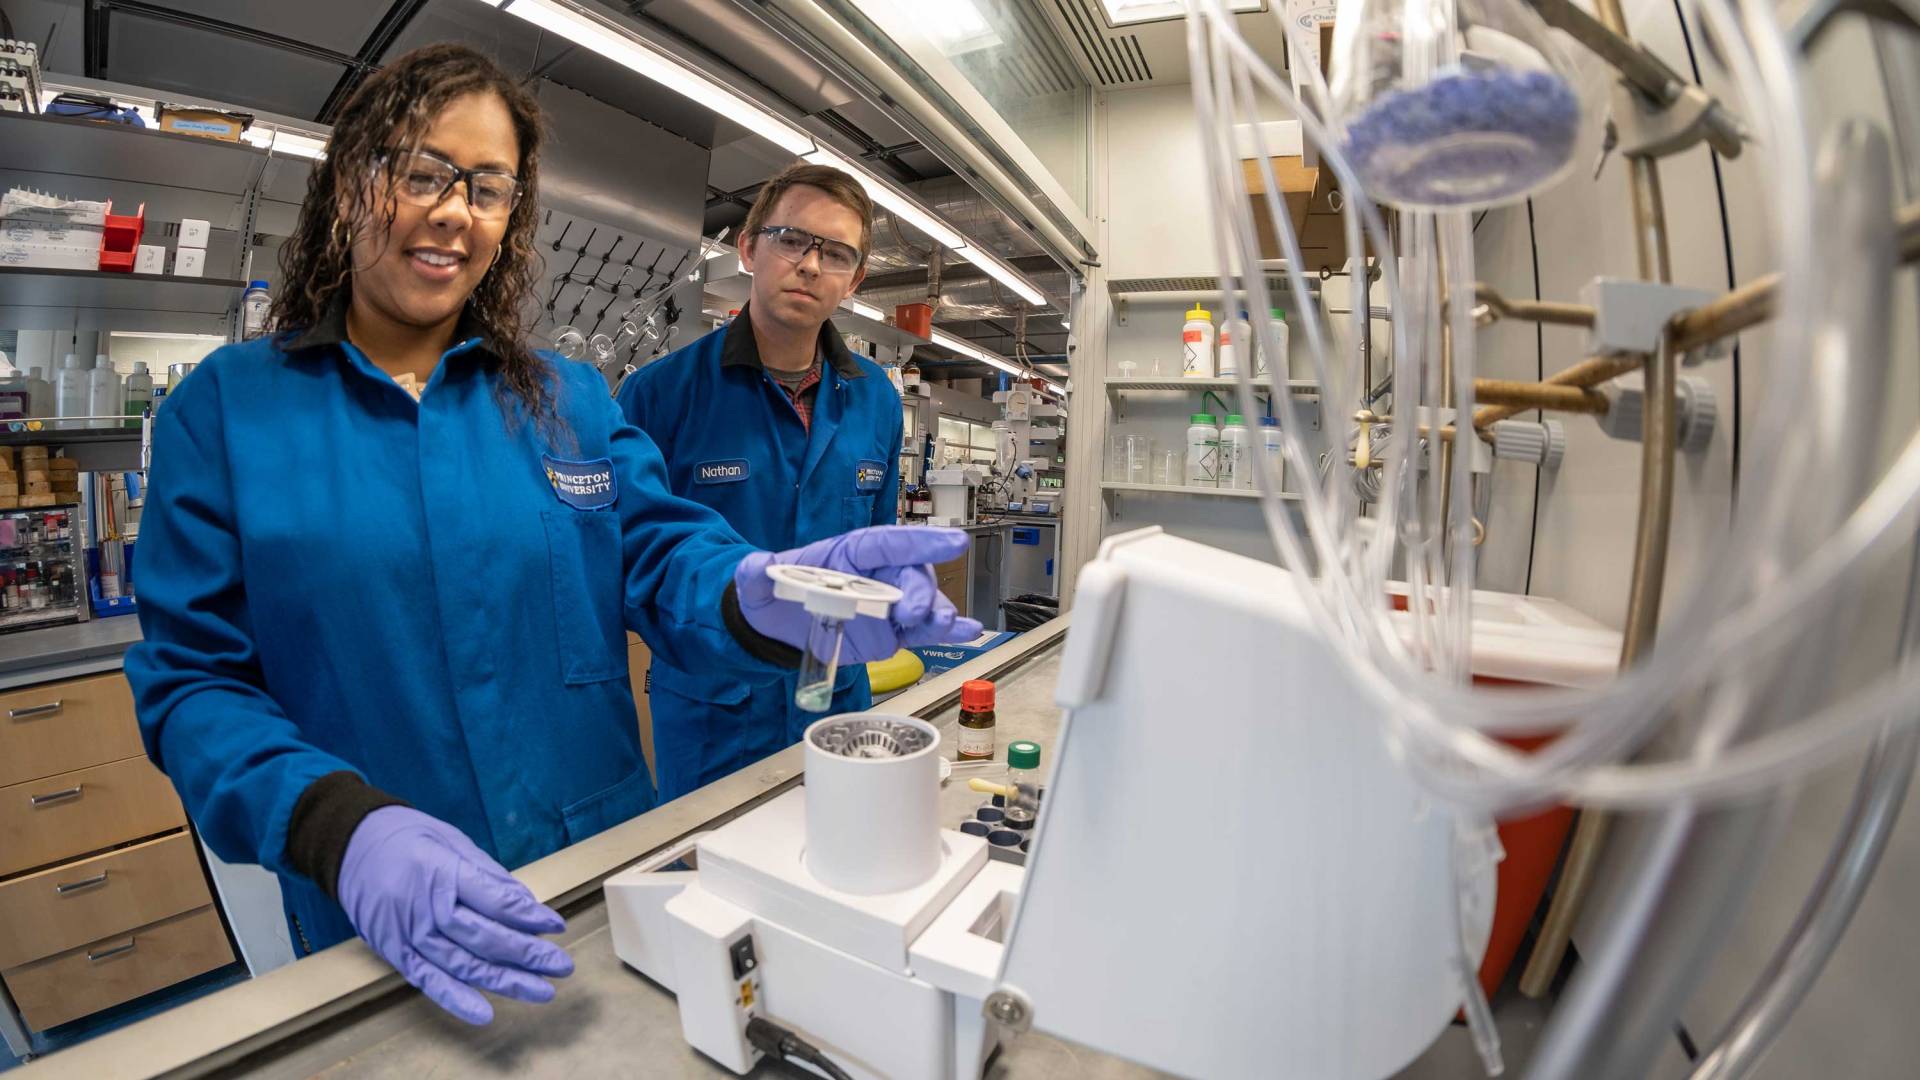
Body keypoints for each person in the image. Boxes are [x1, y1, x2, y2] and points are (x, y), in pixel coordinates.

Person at [124, 44, 974, 1028]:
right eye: (420, 171)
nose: (454, 210)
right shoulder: (231, 413)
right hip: (387, 922)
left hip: (599, 885)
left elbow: (660, 552)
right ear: (353, 180)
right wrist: (335, 830)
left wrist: (754, 591)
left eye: (489, 188)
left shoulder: (567, 400)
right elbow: (192, 685)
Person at [618, 163, 958, 800]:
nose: (809, 264)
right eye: (791, 240)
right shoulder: (660, 394)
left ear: (853, 280)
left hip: (837, 695)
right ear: (749, 249)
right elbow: (634, 559)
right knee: (708, 878)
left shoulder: (876, 402)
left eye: (834, 253)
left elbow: (874, 546)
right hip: (711, 706)